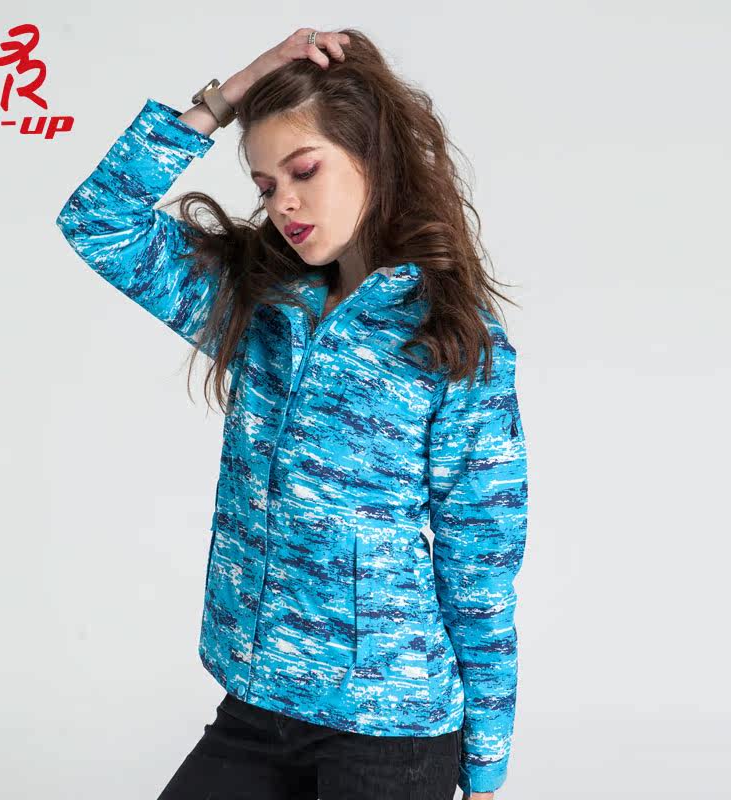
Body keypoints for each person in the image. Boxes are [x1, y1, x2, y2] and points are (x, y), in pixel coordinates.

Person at [55, 26, 528, 800]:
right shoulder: (258, 305)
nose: (284, 204)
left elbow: (479, 566)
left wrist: (487, 760)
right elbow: (99, 220)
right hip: (257, 709)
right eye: (266, 184)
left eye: (304, 170)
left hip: (392, 729)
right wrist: (231, 94)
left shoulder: (451, 340)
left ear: (373, 157)